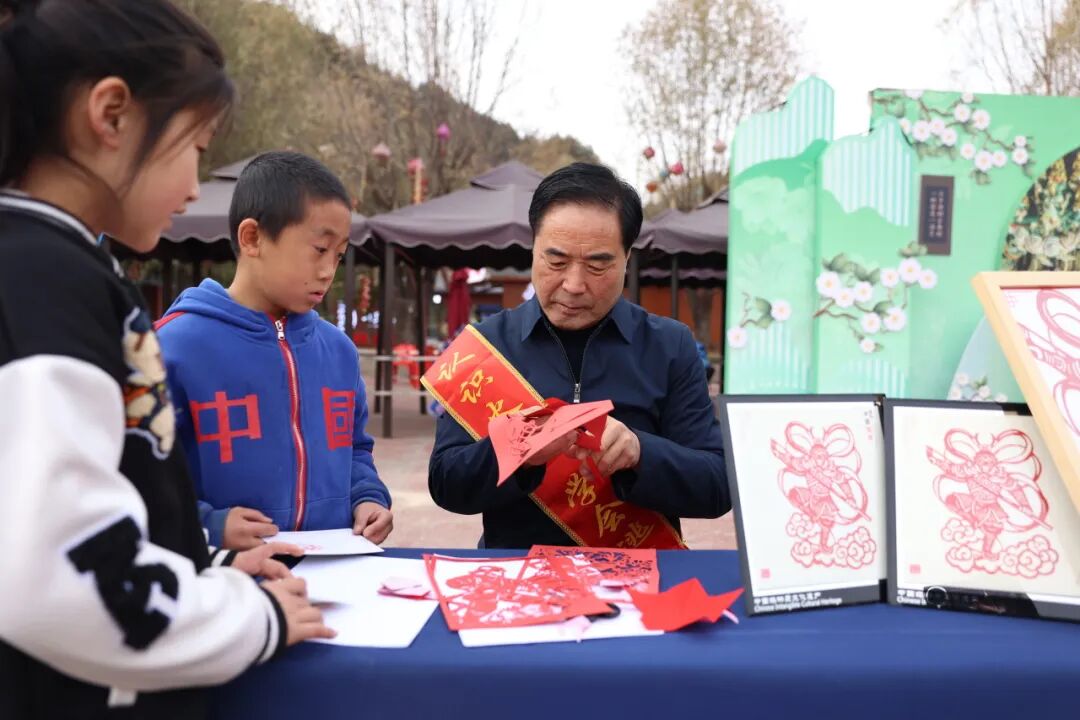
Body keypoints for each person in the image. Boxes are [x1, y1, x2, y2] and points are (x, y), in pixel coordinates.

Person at [0, 2, 332, 718]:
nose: (192, 186)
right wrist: (251, 616)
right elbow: (55, 573)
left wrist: (205, 562)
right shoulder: (43, 280)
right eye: (194, 147)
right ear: (111, 115)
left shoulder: (58, 267)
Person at [426, 162, 730, 548]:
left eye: (597, 265)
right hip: (514, 570)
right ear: (533, 249)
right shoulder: (486, 346)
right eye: (556, 261)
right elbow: (446, 484)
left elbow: (718, 484)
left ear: (627, 258)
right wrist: (519, 450)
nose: (573, 284)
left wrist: (641, 452)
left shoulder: (670, 345)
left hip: (636, 576)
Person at [156, 151, 393, 550]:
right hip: (226, 572)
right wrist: (207, 525)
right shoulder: (172, 347)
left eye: (338, 255)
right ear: (252, 238)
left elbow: (355, 448)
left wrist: (367, 496)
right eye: (319, 249)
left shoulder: (339, 351)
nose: (328, 271)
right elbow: (140, 477)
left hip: (336, 568)